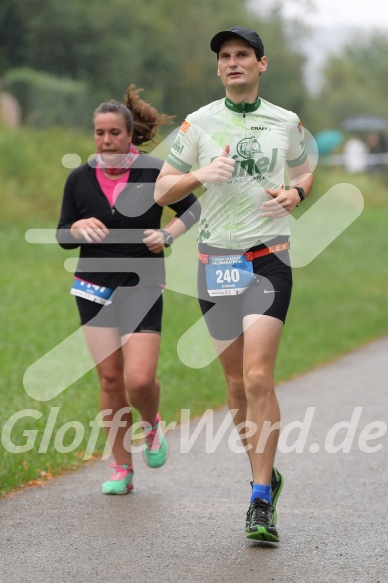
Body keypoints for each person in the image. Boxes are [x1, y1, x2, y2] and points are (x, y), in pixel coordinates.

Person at [154, 27, 313, 541]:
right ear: (218, 67)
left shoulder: (285, 121)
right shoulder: (198, 123)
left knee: (259, 377)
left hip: (269, 257)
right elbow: (162, 188)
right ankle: (263, 475)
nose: (233, 62)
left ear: (261, 64)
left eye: (242, 55)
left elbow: (306, 167)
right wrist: (201, 174)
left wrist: (295, 192)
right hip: (216, 261)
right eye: (225, 56)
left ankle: (260, 497)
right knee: (236, 385)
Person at [56, 85, 201, 495]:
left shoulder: (154, 172)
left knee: (139, 380)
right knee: (109, 379)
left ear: (129, 132)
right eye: (98, 133)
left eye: (113, 133)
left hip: (142, 283)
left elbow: (192, 210)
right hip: (92, 287)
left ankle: (152, 423)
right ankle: (122, 468)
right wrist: (76, 228)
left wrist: (168, 234)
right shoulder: (79, 179)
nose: (105, 141)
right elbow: (64, 234)